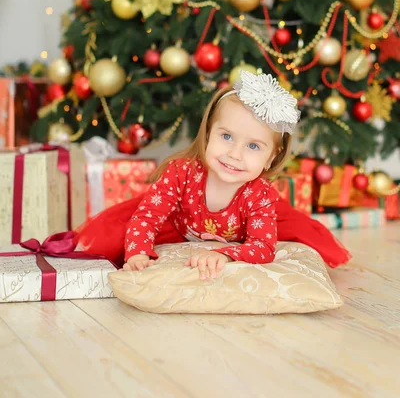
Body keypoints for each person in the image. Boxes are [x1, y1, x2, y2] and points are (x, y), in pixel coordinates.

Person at [77, 71, 351, 278]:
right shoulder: (180, 173)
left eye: (253, 146)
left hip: (248, 220)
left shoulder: (261, 195)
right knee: (114, 238)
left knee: (301, 233)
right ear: (209, 134)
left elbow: (263, 246)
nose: (234, 154)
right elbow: (147, 217)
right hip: (180, 224)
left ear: (271, 159)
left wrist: (228, 255)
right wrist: (137, 253)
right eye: (227, 136)